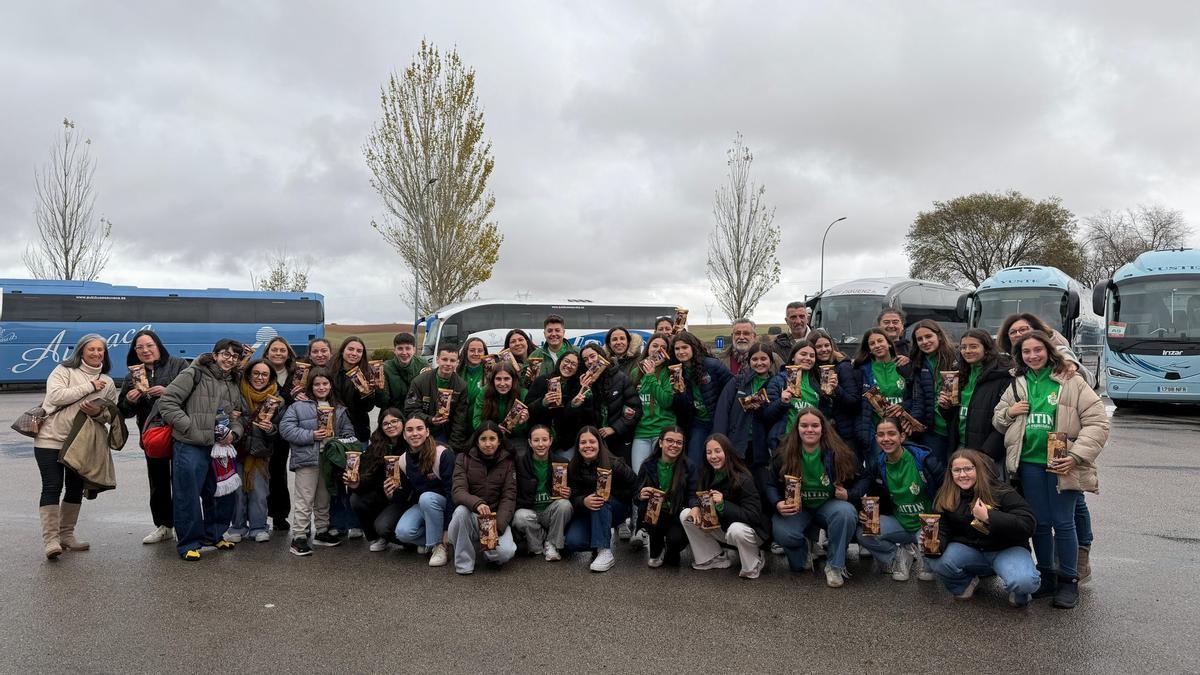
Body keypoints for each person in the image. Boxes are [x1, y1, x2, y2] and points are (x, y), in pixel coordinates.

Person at [993, 330, 1109, 609]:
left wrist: (1077, 456)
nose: (1032, 356)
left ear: (1049, 351)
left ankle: (1068, 581)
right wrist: (1010, 413)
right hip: (1030, 464)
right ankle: (1047, 576)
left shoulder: (1071, 381)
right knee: (1041, 524)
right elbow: (998, 419)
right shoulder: (1017, 385)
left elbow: (1098, 423)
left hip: (1063, 463)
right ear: (1019, 356)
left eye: (1038, 350)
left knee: (1063, 522)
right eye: (1026, 352)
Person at [159, 339, 249, 561]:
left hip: (220, 447)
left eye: (235, 356)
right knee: (187, 495)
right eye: (226, 354)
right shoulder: (195, 373)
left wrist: (234, 433)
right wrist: (189, 426)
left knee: (221, 492)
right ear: (216, 354)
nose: (230, 359)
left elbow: (237, 415)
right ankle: (189, 543)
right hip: (190, 444)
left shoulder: (234, 381)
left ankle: (215, 535)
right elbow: (167, 402)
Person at [33, 334, 118, 560]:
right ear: (81, 351)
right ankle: (51, 540)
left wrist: (98, 413)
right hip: (50, 439)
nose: (96, 353)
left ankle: (66, 535)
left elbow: (110, 415)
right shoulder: (63, 371)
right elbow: (56, 397)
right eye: (91, 349)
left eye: (101, 350)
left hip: (81, 444)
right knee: (52, 486)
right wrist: (89, 385)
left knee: (73, 488)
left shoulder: (108, 382)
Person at [925, 450, 1040, 607]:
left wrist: (989, 517)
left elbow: (1028, 524)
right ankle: (965, 584)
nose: (962, 474)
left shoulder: (1001, 491)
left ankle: (1019, 591)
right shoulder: (946, 494)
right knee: (937, 560)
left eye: (968, 469)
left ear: (978, 469)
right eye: (957, 470)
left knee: (1024, 581)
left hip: (1006, 549)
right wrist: (933, 544)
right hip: (971, 550)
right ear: (950, 472)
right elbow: (944, 530)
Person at [764, 408, 863, 587]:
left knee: (846, 513)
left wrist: (850, 494)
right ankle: (803, 553)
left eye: (815, 425)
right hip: (798, 508)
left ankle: (834, 565)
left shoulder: (838, 452)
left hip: (828, 505)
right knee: (785, 537)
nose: (810, 430)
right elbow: (770, 484)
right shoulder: (783, 453)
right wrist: (777, 503)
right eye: (804, 425)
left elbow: (863, 477)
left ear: (823, 428)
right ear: (797, 429)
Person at [117, 328, 188, 545]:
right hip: (152, 436)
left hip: (181, 432)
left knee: (184, 481)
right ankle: (164, 526)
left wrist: (167, 392)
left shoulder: (179, 365)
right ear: (134, 351)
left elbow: (194, 395)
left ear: (159, 346)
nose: (145, 350)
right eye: (140, 347)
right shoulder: (132, 376)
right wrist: (130, 399)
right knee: (158, 482)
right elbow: (124, 412)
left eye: (150, 345)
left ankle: (185, 525)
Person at [278, 370, 356, 557]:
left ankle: (321, 531)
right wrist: (311, 435)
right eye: (317, 384)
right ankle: (299, 536)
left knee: (324, 497)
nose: (321, 388)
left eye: (325, 384)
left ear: (330, 386)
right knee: (305, 498)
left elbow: (349, 433)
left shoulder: (338, 408)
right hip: (307, 458)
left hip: (328, 460)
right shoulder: (299, 406)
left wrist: (337, 440)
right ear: (311, 386)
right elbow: (286, 429)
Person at [856, 418, 944, 582]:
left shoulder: (924, 460)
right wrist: (862, 511)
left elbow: (945, 490)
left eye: (891, 433)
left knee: (928, 574)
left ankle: (925, 556)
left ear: (902, 437)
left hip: (927, 525)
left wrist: (942, 522)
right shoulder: (877, 465)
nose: (886, 439)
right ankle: (899, 556)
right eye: (881, 435)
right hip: (899, 523)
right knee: (863, 532)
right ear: (876, 439)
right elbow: (865, 489)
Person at [681, 434, 767, 579]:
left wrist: (723, 504)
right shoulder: (707, 473)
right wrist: (695, 506)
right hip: (723, 529)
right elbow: (697, 496)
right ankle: (713, 557)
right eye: (709, 452)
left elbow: (753, 516)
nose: (713, 456)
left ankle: (755, 560)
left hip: (751, 532)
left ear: (727, 452)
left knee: (736, 529)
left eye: (717, 451)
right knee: (686, 515)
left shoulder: (743, 479)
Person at [447, 422, 518, 574]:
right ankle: (464, 564)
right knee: (460, 511)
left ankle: (481, 548)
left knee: (504, 554)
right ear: (476, 441)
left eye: (492, 439)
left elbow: (509, 497)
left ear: (499, 441)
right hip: (471, 514)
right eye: (483, 439)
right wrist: (477, 504)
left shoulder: (508, 462)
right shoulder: (463, 458)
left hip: (494, 517)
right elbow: (458, 491)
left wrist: (497, 527)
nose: (488, 443)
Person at [564, 426, 637, 572]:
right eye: (583, 442)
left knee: (601, 498)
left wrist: (615, 495)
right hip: (588, 511)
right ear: (578, 446)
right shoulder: (573, 466)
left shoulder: (615, 463)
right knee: (573, 542)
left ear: (600, 444)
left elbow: (636, 485)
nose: (588, 446)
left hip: (617, 509)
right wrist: (583, 501)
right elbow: (573, 496)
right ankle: (599, 540)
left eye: (592, 441)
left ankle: (605, 551)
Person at [225, 359, 281, 543]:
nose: (260, 377)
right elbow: (222, 414)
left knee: (259, 492)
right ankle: (238, 527)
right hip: (238, 450)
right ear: (249, 375)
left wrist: (270, 428)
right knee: (237, 491)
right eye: (256, 373)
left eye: (264, 374)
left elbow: (281, 430)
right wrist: (229, 415)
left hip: (260, 453)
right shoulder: (237, 392)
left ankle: (258, 527)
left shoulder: (277, 400)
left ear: (270, 377)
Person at [388, 413, 455, 566]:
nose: (415, 433)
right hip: (424, 504)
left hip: (445, 503)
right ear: (404, 435)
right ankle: (433, 540)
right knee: (403, 532)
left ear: (427, 432)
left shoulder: (442, 454)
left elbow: (452, 493)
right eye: (410, 430)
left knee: (426, 497)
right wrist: (392, 492)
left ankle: (440, 546)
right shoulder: (403, 459)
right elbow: (404, 494)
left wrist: (447, 530)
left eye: (419, 428)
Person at [943, 329, 1012, 468]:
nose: (967, 351)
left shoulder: (1002, 376)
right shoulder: (958, 375)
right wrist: (945, 407)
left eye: (973, 346)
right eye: (963, 347)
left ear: (986, 349)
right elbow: (952, 417)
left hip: (985, 453)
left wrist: (987, 452)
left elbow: (1004, 419)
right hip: (959, 447)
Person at [346, 408, 407, 553]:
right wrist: (357, 484)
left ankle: (413, 541)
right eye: (386, 424)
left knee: (385, 526)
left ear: (403, 423)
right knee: (356, 499)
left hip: (405, 497)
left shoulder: (411, 442)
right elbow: (367, 476)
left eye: (394, 421)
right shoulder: (376, 446)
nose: (390, 426)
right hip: (383, 494)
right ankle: (377, 538)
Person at [634, 426, 695, 567]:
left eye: (679, 442)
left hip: (677, 514)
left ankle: (670, 546)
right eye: (669, 441)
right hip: (655, 515)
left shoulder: (689, 466)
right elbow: (635, 496)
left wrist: (693, 507)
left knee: (673, 558)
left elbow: (693, 494)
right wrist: (640, 495)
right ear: (661, 443)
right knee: (646, 507)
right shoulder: (648, 465)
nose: (674, 445)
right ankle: (657, 545)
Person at [670, 331, 732, 468]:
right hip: (698, 423)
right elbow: (681, 408)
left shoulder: (712, 365)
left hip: (718, 421)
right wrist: (679, 393)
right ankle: (696, 489)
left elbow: (732, 389)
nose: (681, 352)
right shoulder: (675, 372)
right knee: (694, 461)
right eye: (677, 348)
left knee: (718, 461)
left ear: (693, 347)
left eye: (684, 347)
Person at [512, 425, 573, 561]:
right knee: (519, 516)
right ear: (529, 442)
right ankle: (540, 542)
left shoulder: (562, 462)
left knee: (565, 504)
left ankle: (552, 544)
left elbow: (573, 489)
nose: (540, 444)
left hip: (550, 512)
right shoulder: (520, 463)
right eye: (536, 440)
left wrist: (569, 492)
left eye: (545, 440)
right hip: (531, 511)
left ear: (551, 441)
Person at [714, 343, 778, 470]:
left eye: (763, 359)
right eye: (754, 359)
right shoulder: (737, 382)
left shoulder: (776, 383)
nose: (759, 363)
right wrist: (718, 439)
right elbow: (722, 410)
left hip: (762, 444)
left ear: (771, 362)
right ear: (749, 362)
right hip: (738, 442)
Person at [577, 343, 642, 465]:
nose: (590, 362)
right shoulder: (583, 381)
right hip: (594, 441)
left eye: (592, 356)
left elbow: (635, 408)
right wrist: (585, 390)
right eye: (585, 359)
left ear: (601, 356)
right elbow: (582, 415)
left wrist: (614, 428)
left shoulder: (620, 378)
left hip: (619, 439)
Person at [854, 328, 917, 451]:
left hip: (904, 429)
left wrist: (902, 406)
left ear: (888, 343)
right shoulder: (862, 371)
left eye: (880, 341)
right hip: (876, 433)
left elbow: (915, 397)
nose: (877, 345)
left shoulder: (904, 365)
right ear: (869, 350)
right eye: (872, 344)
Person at [909, 320, 959, 463]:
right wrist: (913, 421)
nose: (925, 341)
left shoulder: (956, 357)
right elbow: (919, 399)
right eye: (920, 339)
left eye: (928, 336)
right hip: (934, 430)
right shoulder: (918, 362)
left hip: (956, 428)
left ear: (939, 336)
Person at [404, 345, 471, 451]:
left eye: (452, 360)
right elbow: (410, 410)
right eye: (444, 359)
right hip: (423, 431)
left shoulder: (461, 386)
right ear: (437, 359)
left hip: (447, 433)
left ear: (457, 363)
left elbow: (460, 420)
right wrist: (430, 419)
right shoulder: (419, 381)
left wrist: (453, 447)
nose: (448, 364)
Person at [263, 336, 299, 532]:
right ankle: (257, 514)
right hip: (262, 428)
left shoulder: (297, 375)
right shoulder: (260, 371)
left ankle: (279, 515)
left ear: (288, 354)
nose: (278, 353)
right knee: (259, 473)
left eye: (282, 350)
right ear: (267, 352)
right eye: (274, 350)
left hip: (285, 430)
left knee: (278, 472)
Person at [526, 351, 592, 455]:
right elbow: (527, 409)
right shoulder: (542, 380)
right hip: (540, 441)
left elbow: (584, 417)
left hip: (565, 443)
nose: (569, 366)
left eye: (573, 364)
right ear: (559, 362)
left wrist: (573, 405)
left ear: (577, 368)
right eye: (566, 361)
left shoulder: (579, 386)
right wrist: (543, 403)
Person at [810, 329, 860, 451]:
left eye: (827, 345)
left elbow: (854, 401)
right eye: (818, 346)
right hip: (820, 431)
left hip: (844, 432)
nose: (824, 349)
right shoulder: (811, 371)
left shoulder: (843, 366)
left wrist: (836, 389)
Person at [477, 362, 530, 452]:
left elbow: (525, 431)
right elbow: (476, 421)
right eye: (498, 379)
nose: (502, 383)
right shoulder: (484, 392)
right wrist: (492, 431)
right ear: (493, 380)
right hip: (488, 437)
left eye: (506, 379)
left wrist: (522, 423)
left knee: (521, 455)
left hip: (515, 438)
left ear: (513, 380)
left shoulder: (523, 394)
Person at [374, 332, 429, 414]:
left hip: (416, 414)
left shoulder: (423, 365)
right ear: (394, 351)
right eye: (400, 348)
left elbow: (427, 394)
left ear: (414, 350)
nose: (404, 352)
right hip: (393, 413)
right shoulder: (385, 368)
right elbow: (382, 403)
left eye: (408, 348)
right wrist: (379, 390)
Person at [457, 337, 489, 427]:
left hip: (482, 425)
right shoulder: (456, 372)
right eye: (472, 350)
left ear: (485, 353)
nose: (476, 354)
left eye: (480, 351)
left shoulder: (491, 373)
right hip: (460, 426)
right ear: (466, 352)